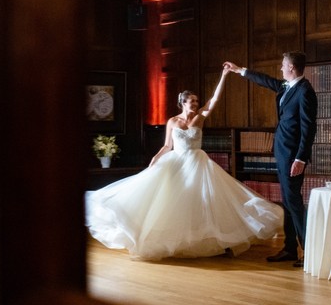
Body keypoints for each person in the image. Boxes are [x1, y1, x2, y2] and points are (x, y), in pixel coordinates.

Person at [85, 68, 283, 261]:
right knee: (173, 201)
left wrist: (223, 76)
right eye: (192, 101)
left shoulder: (200, 117)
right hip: (177, 162)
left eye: (197, 101)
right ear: (183, 103)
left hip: (198, 163)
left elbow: (214, 100)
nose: (196, 104)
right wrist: (155, 160)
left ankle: (214, 239)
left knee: (206, 200)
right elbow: (167, 146)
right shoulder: (172, 122)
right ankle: (174, 240)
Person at [223, 51, 317, 267]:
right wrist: (240, 70)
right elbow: (267, 81)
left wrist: (301, 158)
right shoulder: (288, 86)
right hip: (283, 153)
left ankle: (309, 251)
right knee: (287, 202)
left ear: (292, 68)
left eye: (283, 65)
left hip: (293, 156)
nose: (280, 68)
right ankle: (290, 249)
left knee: (293, 202)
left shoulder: (305, 92)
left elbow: (309, 128)